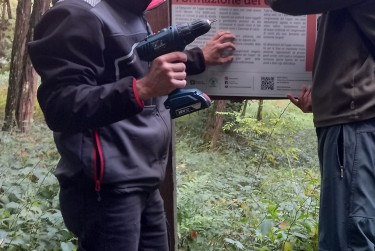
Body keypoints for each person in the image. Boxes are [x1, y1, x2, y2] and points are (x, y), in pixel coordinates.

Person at [27, 0, 235, 250]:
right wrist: (142, 89)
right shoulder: (76, 13)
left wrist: (198, 58)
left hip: (144, 179)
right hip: (105, 190)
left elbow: (136, 60)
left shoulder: (132, 11)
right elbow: (60, 105)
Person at [267, 0, 375, 250]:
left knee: (345, 242)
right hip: (356, 125)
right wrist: (326, 96)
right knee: (340, 238)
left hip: (356, 127)